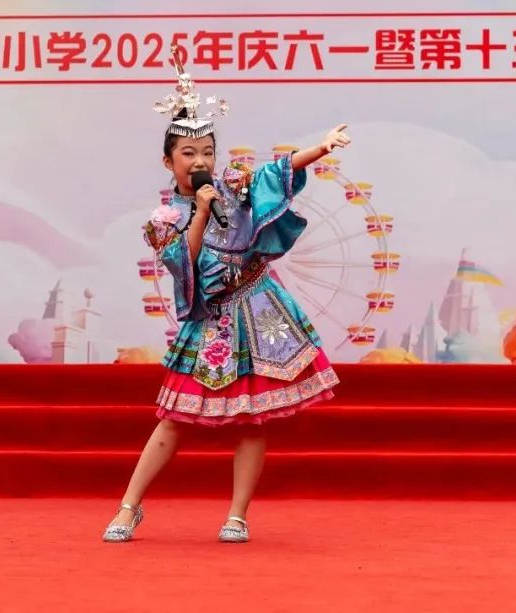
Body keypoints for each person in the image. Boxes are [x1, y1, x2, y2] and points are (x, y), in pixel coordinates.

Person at [103, 52, 347, 543]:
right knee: (174, 419)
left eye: (207, 152)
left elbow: (275, 174)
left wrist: (319, 150)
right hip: (210, 319)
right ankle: (129, 507)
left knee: (254, 418)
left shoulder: (234, 185)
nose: (200, 162)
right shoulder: (163, 219)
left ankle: (237, 515)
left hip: (258, 306)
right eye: (188, 153)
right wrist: (200, 210)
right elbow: (183, 262)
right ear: (168, 160)